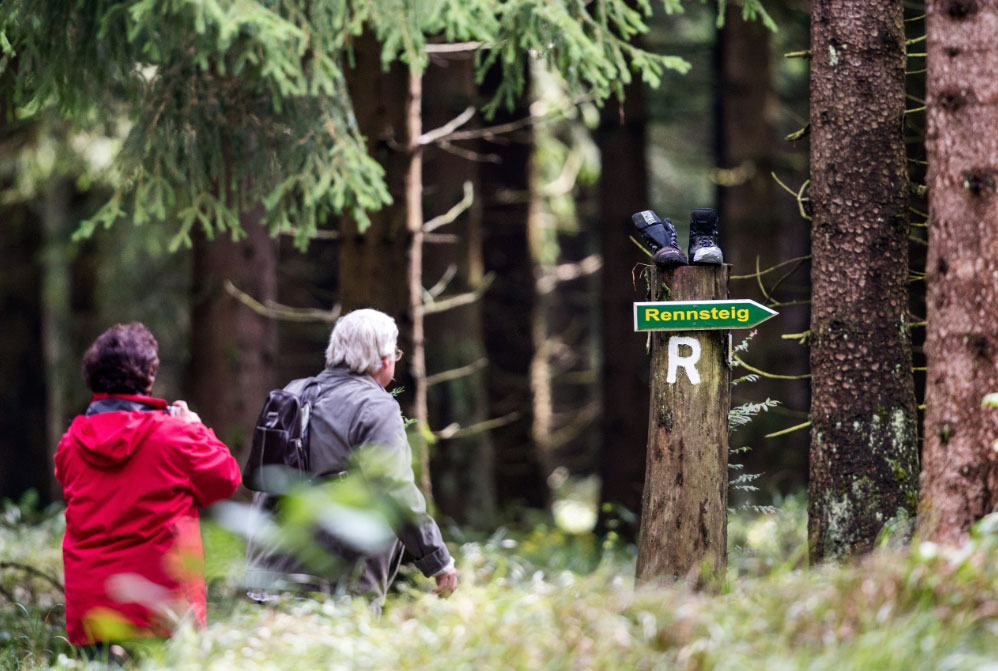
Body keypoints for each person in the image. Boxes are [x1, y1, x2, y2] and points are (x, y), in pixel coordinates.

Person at [246, 308, 458, 602]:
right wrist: (439, 561)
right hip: (331, 588)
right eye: (394, 355)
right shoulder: (375, 406)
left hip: (266, 574)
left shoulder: (292, 392)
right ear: (384, 359)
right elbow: (395, 490)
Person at [55, 322, 241, 647]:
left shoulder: (70, 445)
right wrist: (197, 429)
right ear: (149, 374)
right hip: (165, 611)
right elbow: (226, 479)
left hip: (94, 614)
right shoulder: (175, 436)